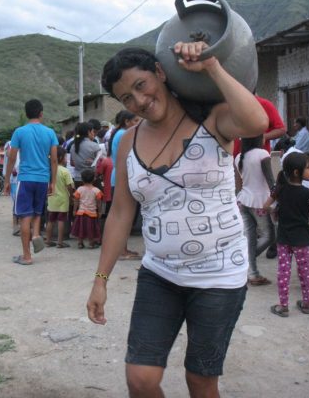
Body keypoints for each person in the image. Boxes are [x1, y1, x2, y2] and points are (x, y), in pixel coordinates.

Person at [87, 43, 267, 397]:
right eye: (126, 97)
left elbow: (257, 122)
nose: (138, 100)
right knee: (140, 379)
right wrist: (100, 280)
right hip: (160, 274)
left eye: (141, 85)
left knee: (200, 381)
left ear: (160, 72)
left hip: (219, 276)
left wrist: (211, 66)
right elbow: (122, 211)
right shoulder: (127, 142)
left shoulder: (212, 119)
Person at [263, 152, 309, 317]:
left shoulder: (279, 189)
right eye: (308, 167)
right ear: (296, 172)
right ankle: (306, 304)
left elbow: (266, 206)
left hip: (284, 239)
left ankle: (283, 306)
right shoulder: (308, 194)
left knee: (284, 272)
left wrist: (276, 212)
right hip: (302, 240)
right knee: (305, 272)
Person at [4, 99, 58, 265]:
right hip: (42, 179)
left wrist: (7, 180)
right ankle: (35, 234)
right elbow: (54, 160)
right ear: (41, 113)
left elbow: (12, 157)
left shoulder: (19, 132)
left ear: (26, 114)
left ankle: (27, 256)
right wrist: (53, 182)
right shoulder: (50, 133)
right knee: (37, 212)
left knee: (24, 217)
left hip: (25, 178)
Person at [234, 134, 275, 286]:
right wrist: (276, 201)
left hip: (243, 200)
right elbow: (271, 181)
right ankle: (248, 264)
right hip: (261, 202)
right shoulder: (262, 154)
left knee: (249, 238)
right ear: (257, 138)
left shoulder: (238, 157)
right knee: (269, 236)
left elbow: (239, 184)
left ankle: (251, 272)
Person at [108, 110, 141, 260]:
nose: (138, 124)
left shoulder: (119, 133)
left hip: (120, 176)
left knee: (125, 215)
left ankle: (123, 249)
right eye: (135, 121)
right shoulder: (124, 135)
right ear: (127, 122)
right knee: (125, 216)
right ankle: (122, 250)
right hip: (123, 177)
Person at [45, 146, 73, 248]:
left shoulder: (50, 170)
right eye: (65, 157)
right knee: (61, 220)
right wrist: (71, 196)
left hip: (52, 198)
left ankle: (48, 240)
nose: (66, 159)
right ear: (61, 157)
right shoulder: (65, 171)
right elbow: (69, 186)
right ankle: (60, 242)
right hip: (63, 199)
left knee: (50, 220)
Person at [71, 168, 103, 249]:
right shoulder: (97, 190)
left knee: (81, 228)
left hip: (81, 213)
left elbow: (76, 201)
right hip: (92, 213)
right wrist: (100, 211)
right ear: (94, 179)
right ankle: (91, 243)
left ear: (82, 179)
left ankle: (80, 243)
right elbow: (99, 203)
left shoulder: (79, 189)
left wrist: (74, 210)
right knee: (91, 229)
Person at [69, 122, 101, 186]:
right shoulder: (94, 146)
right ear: (88, 132)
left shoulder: (73, 146)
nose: (93, 134)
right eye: (92, 131)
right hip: (92, 180)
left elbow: (72, 163)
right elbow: (100, 163)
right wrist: (93, 162)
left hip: (78, 180)